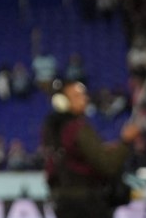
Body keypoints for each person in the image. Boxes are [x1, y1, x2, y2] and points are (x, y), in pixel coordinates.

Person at [42, 81, 140, 218]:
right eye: (78, 96)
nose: (85, 98)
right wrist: (125, 142)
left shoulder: (52, 130)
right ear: (62, 102)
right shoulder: (78, 129)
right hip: (88, 203)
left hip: (62, 202)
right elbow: (107, 165)